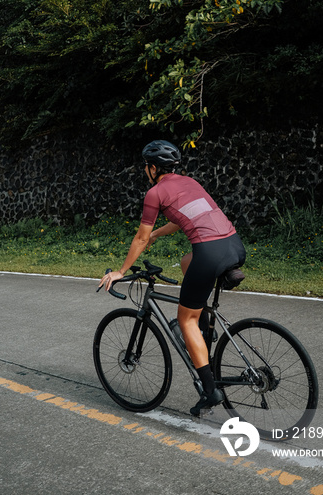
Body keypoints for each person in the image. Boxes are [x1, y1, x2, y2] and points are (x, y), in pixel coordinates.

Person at [99, 139, 246, 415]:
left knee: (184, 318)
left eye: (147, 166)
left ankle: (210, 390)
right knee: (185, 261)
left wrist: (121, 270)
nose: (146, 170)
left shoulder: (155, 193)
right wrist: (157, 234)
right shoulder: (189, 182)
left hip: (210, 253)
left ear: (153, 168)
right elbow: (181, 219)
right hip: (234, 245)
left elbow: (140, 237)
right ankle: (203, 326)